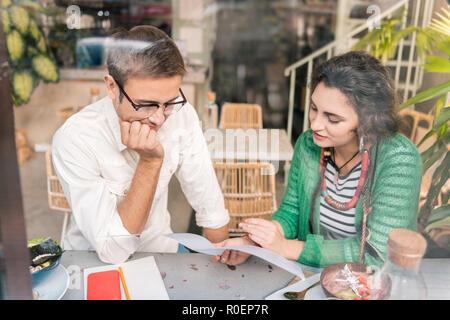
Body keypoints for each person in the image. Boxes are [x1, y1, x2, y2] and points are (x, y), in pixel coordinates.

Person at [213, 51, 422, 268]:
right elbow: (292, 211)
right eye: (314, 109)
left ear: (369, 122)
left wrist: (287, 248)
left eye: (332, 118)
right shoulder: (309, 144)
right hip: (311, 276)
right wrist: (255, 241)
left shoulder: (399, 159)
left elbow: (376, 254)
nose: (315, 125)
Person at [52, 25, 230, 264]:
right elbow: (112, 250)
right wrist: (150, 161)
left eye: (169, 102)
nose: (159, 117)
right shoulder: (76, 138)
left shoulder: (180, 115)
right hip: (91, 258)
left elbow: (207, 197)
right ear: (112, 87)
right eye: (145, 104)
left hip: (160, 247)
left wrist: (224, 257)